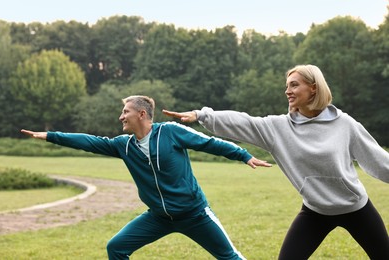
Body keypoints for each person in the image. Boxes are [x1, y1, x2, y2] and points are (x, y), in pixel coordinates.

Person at [163, 64, 389, 259]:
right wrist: (202, 115)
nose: (287, 91)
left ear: (313, 88)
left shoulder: (344, 124)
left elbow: (378, 160)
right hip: (316, 210)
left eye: (294, 85)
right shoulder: (279, 128)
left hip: (356, 208)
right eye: (287, 86)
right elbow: (245, 122)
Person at [21, 95, 272, 260]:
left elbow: (209, 143)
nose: (121, 116)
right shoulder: (123, 145)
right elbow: (89, 141)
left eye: (125, 111)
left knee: (230, 257)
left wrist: (243, 155)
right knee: (116, 248)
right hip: (158, 217)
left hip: (194, 214)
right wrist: (51, 135)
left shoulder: (171, 132)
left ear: (141, 114)